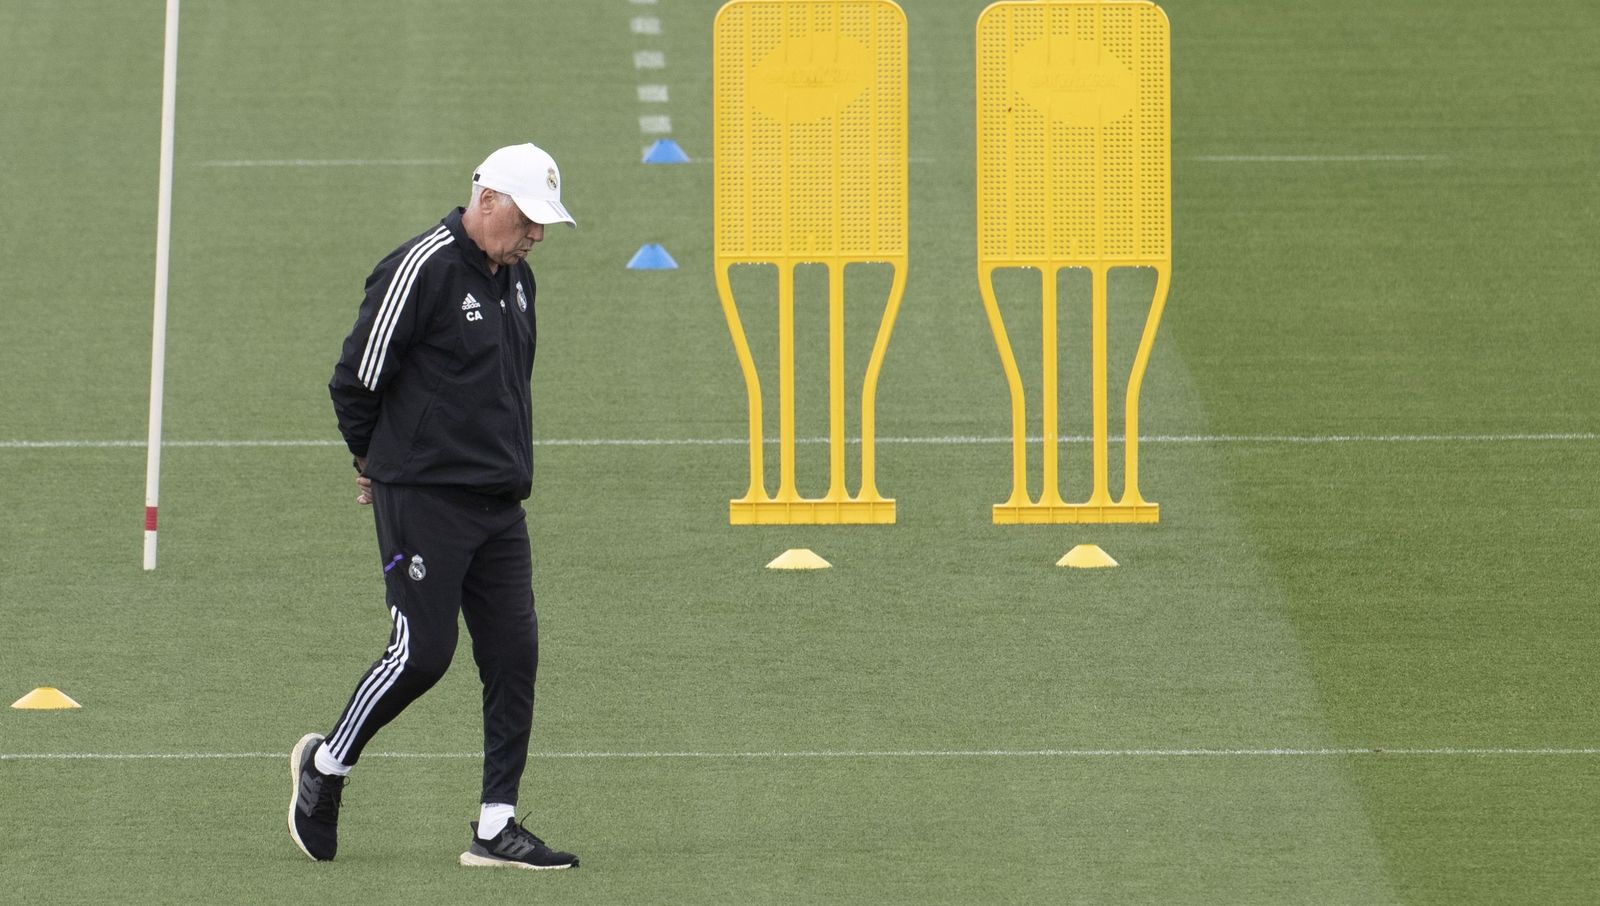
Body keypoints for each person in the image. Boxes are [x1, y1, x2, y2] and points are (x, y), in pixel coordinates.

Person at [288, 143, 578, 871]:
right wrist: (372, 462)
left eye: (543, 223)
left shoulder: (518, 280)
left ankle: (496, 825)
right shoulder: (420, 268)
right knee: (422, 654)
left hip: (499, 503)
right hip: (422, 498)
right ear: (487, 201)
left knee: (515, 655)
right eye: (528, 219)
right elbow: (356, 379)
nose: (536, 236)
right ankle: (326, 765)